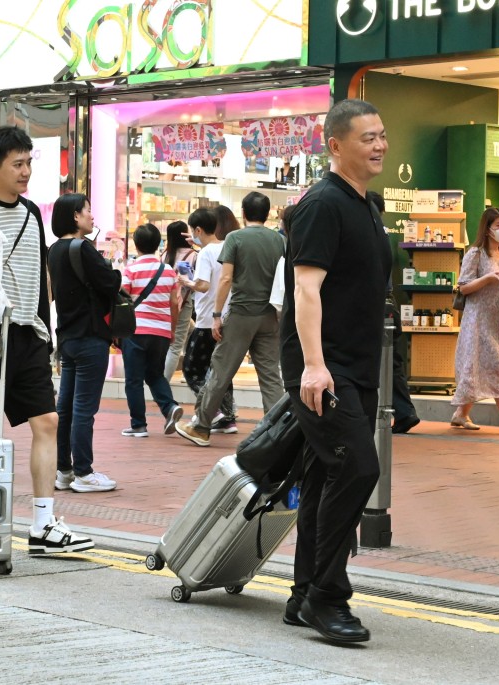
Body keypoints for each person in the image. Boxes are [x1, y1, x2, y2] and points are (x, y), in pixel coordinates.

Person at [279, 99, 391, 645]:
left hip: (356, 365)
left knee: (327, 475)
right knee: (358, 467)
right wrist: (314, 366)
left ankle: (304, 594)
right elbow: (306, 288)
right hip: (324, 366)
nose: (380, 145)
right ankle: (327, 596)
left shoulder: (366, 205)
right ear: (335, 145)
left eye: (382, 135)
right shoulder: (323, 204)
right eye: (368, 137)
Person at [0, 125, 94, 555]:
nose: (25, 172)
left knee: (47, 422)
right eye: (17, 164)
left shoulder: (32, 213)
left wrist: (45, 328)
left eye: (28, 163)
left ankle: (42, 524)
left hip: (28, 335)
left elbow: (40, 274)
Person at [175, 192, 284, 448]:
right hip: (270, 316)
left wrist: (216, 315)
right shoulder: (279, 240)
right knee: (270, 376)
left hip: (241, 314)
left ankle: (201, 426)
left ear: (243, 213)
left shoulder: (235, 238)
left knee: (220, 370)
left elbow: (225, 279)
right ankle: (278, 434)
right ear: (267, 213)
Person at [47, 193, 122, 492]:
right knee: (83, 408)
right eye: (88, 211)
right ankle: (84, 473)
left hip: (67, 336)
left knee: (66, 407)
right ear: (75, 216)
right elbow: (110, 283)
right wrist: (112, 265)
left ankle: (64, 470)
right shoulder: (83, 248)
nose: (92, 216)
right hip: (90, 336)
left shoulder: (54, 250)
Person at [450, 207, 499, 435]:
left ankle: (461, 414)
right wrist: (488, 278)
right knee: (494, 365)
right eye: (498, 225)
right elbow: (463, 287)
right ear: (488, 228)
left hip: (496, 320)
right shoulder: (476, 253)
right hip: (477, 319)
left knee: (476, 366)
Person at [120, 223, 183, 438]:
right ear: (158, 244)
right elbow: (174, 304)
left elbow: (122, 299)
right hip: (161, 332)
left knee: (134, 379)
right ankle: (170, 407)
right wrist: (172, 330)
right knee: (155, 374)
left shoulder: (131, 269)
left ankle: (138, 424)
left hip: (136, 331)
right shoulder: (168, 271)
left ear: (136, 244)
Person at [179, 208, 238, 433]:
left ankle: (214, 411)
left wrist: (186, 281)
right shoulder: (228, 246)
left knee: (192, 368)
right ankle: (228, 418)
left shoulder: (205, 253)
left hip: (206, 320)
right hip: (227, 317)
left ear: (198, 230)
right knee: (221, 371)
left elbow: (203, 285)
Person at [368, 191, 420, 434]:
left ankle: (398, 412)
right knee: (393, 363)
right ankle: (405, 411)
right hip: (389, 304)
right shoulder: (385, 234)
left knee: (380, 362)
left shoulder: (370, 232)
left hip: (375, 305)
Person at [161, 221, 197, 381]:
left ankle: (190, 369)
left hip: (166, 302)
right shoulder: (193, 255)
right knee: (175, 347)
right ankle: (163, 383)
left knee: (192, 331)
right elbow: (198, 281)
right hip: (184, 303)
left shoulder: (164, 255)